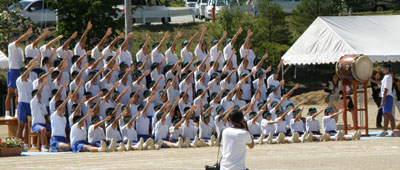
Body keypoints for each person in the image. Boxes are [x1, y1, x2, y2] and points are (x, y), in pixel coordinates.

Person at [6, 28, 33, 119]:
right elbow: (18, 41)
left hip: (19, 71)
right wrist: (26, 34)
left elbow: (22, 62)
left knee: (18, 93)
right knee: (10, 93)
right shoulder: (11, 46)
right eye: (15, 38)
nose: (17, 39)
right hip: (12, 70)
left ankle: (17, 112)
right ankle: (7, 113)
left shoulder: (20, 50)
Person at [378, 63, 395, 136]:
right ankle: (385, 130)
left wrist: (383, 100)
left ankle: (393, 130)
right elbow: (380, 83)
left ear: (387, 69)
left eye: (384, 68)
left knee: (389, 113)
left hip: (387, 97)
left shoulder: (388, 77)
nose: (383, 69)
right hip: (385, 96)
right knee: (385, 115)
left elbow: (386, 89)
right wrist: (370, 79)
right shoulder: (385, 77)